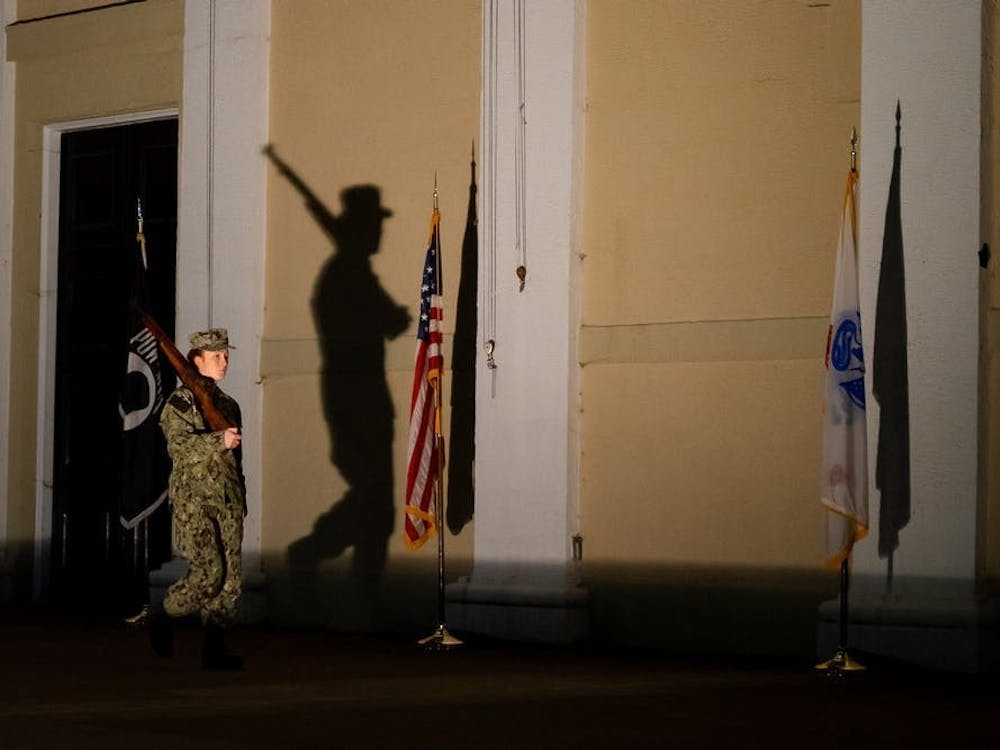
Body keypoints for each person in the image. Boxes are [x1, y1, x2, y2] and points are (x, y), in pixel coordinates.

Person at [149, 328, 246, 670]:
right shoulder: (181, 403)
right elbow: (179, 447)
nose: (224, 361)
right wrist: (218, 441)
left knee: (230, 580)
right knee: (209, 573)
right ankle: (164, 614)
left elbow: (236, 461)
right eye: (216, 356)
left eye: (225, 355)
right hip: (195, 500)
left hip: (227, 499)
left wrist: (240, 498)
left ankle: (215, 648)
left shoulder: (228, 405)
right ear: (196, 360)